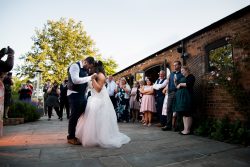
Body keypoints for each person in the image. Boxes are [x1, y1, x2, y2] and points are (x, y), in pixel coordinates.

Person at [75, 61, 130, 148]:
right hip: (92, 99)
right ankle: (93, 137)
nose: (89, 68)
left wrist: (92, 79)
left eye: (91, 67)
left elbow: (98, 89)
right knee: (91, 120)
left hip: (100, 100)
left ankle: (100, 137)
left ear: (94, 67)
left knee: (100, 120)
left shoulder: (100, 75)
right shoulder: (92, 75)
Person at [67, 56, 96, 145]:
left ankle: (82, 133)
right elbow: (75, 80)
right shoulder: (74, 66)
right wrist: (90, 77)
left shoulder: (85, 70)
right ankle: (71, 137)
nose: (89, 69)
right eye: (89, 66)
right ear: (86, 62)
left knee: (85, 112)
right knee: (74, 116)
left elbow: (86, 83)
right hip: (74, 94)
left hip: (82, 95)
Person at [162, 61, 184, 131]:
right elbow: (168, 83)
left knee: (178, 109)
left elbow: (182, 83)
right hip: (170, 93)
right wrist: (167, 90)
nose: (174, 66)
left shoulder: (182, 74)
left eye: (176, 65)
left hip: (178, 92)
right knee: (169, 108)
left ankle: (177, 126)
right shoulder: (171, 74)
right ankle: (168, 125)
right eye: (174, 65)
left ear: (180, 65)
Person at [174, 66, 195, 135]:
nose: (182, 72)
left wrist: (180, 84)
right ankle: (185, 129)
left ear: (186, 70)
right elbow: (177, 87)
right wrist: (175, 82)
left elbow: (189, 84)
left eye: (182, 70)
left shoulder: (191, 76)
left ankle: (188, 130)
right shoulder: (182, 78)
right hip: (182, 98)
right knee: (184, 114)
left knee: (188, 114)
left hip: (188, 97)